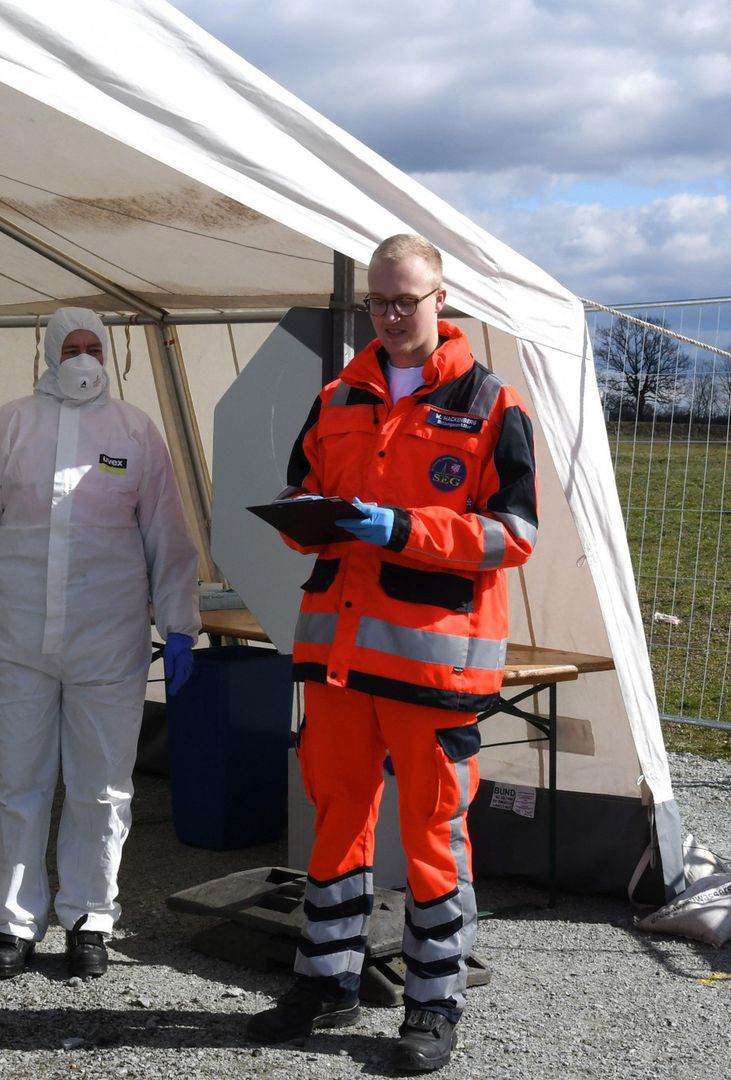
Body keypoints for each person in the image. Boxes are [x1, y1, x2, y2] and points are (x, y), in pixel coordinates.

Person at [246, 235, 537, 1072]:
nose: (391, 315)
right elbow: (302, 482)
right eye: (379, 301)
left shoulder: (492, 405)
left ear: (441, 298)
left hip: (434, 664)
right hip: (338, 655)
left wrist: (403, 529)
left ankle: (433, 1003)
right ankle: (324, 981)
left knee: (431, 834)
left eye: (405, 300)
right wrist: (309, 512)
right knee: (336, 819)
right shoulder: (337, 394)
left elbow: (513, 535)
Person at [0, 307, 200, 980]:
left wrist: (181, 622)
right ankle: (11, 925)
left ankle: (88, 920)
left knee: (101, 789)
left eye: (91, 348)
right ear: (48, 353)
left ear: (108, 355)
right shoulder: (11, 424)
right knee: (19, 785)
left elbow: (166, 534)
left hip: (109, 641)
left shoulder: (135, 432)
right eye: (70, 347)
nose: (81, 359)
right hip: (16, 638)